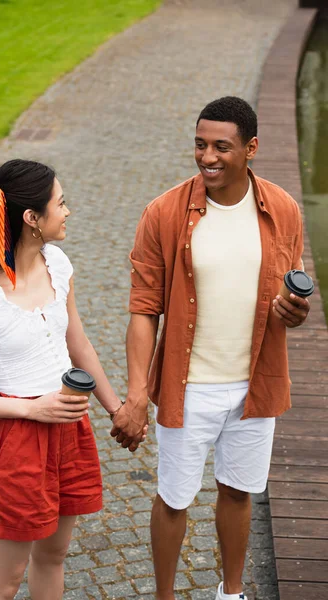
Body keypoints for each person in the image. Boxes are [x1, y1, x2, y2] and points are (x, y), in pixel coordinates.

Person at [110, 97, 311, 600]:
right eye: (200, 145)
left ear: (252, 148)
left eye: (222, 146)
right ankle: (164, 596)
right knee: (174, 498)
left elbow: (290, 290)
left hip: (253, 385)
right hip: (188, 385)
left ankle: (232, 592)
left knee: (239, 491)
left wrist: (295, 310)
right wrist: (137, 394)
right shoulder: (164, 212)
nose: (208, 157)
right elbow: (143, 309)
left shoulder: (283, 209)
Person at [0, 159, 128, 600]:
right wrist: (30, 408)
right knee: (5, 580)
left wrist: (115, 408)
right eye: (61, 203)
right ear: (31, 218)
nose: (68, 211)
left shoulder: (57, 263)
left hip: (71, 429)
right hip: (18, 438)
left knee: (53, 557)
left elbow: (79, 344)